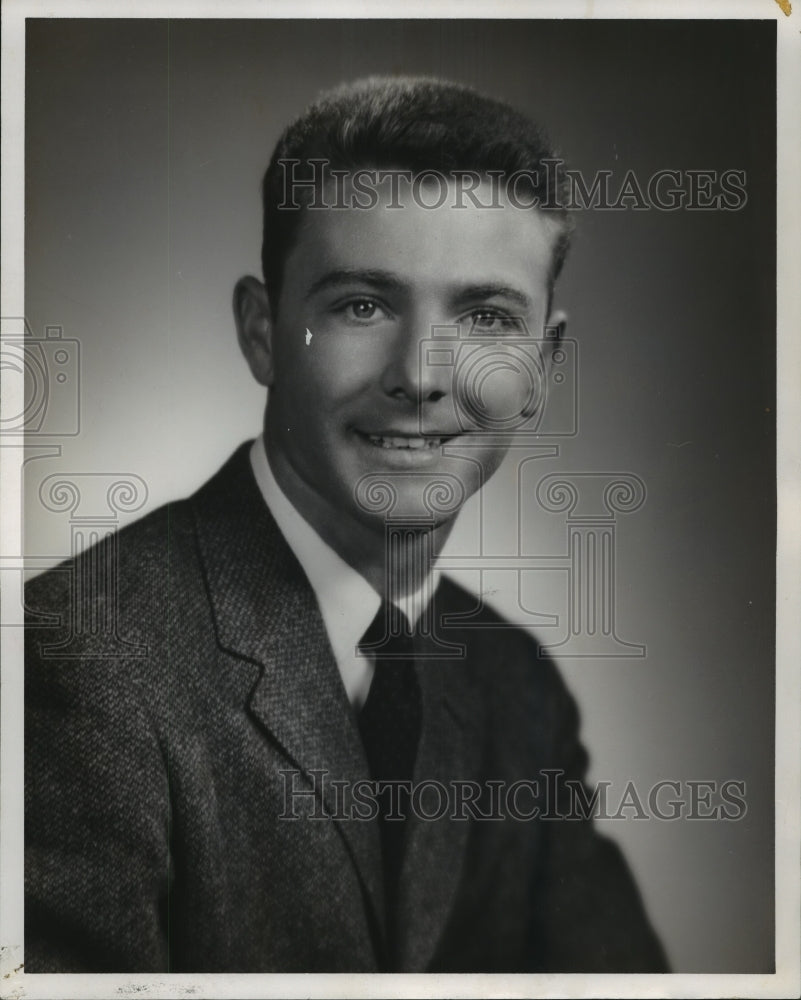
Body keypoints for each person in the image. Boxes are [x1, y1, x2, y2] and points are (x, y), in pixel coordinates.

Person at [24, 76, 668, 974]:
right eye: (362, 305)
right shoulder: (79, 661)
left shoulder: (514, 688)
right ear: (262, 331)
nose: (420, 376)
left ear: (542, 368)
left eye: (484, 317)